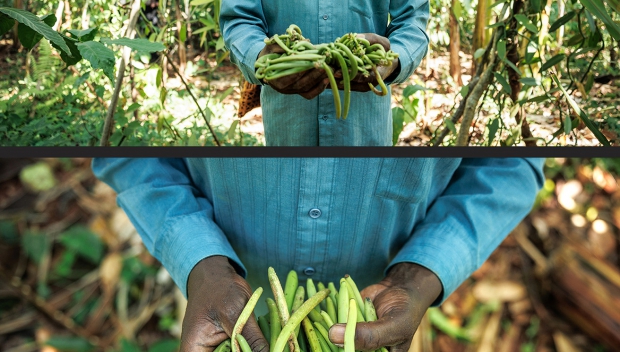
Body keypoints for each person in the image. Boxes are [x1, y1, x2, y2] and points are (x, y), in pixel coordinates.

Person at [93, 158, 545, 352]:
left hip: (385, 318)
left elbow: (512, 165)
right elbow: (132, 157)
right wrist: (201, 265)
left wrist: (418, 277)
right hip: (215, 301)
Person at [219, 0, 429, 145]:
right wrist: (261, 58)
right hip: (289, 132)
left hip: (364, 134)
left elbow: (412, 18)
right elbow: (240, 18)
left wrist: (392, 62)